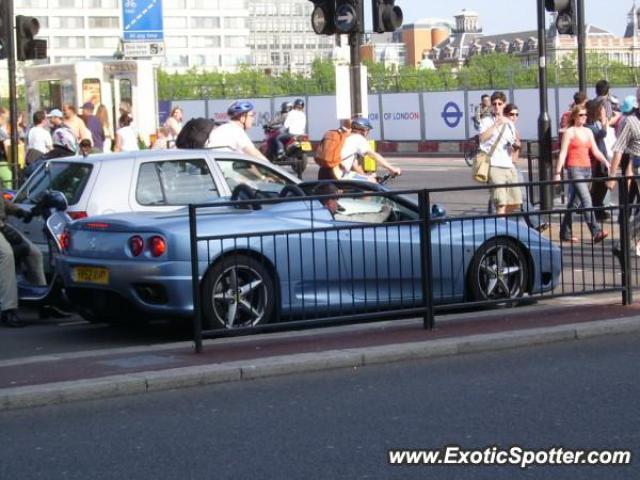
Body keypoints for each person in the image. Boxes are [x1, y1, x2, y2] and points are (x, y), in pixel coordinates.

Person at [554, 105, 609, 244]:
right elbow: (563, 153)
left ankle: (564, 233)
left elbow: (595, 151)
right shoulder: (570, 132)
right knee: (586, 200)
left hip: (587, 169)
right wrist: (557, 172)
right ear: (574, 116)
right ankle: (596, 231)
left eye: (585, 115)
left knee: (574, 204)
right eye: (581, 115)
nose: (584, 117)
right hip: (575, 169)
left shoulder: (588, 131)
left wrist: (606, 162)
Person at [0, 189, 46, 327]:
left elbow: (3, 203)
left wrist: (19, 211)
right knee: (6, 255)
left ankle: (42, 302)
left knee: (35, 254)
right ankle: (8, 309)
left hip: (2, 225)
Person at [502, 103, 547, 232]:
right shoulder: (506, 129)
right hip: (507, 166)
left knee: (521, 196)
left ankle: (534, 224)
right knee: (509, 196)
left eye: (516, 114)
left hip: (513, 165)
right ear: (506, 115)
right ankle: (535, 224)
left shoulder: (513, 129)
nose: (514, 117)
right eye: (511, 114)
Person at [478, 91, 521, 215]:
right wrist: (496, 124)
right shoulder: (486, 121)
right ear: (491, 105)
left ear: (504, 104)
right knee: (500, 202)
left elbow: (513, 142)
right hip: (494, 165)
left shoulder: (509, 123)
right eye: (494, 103)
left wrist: (515, 147)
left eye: (499, 104)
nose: (497, 106)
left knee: (515, 201)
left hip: (508, 164)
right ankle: (500, 227)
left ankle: (496, 219)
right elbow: (482, 138)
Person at [337, 117, 401, 181]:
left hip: (332, 174)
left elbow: (355, 166)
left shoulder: (345, 138)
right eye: (368, 130)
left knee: (368, 181)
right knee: (373, 182)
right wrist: (391, 168)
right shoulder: (358, 138)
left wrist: (366, 177)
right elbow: (373, 154)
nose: (367, 133)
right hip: (341, 174)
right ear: (364, 130)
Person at [584, 99, 610, 221]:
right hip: (595, 160)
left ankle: (598, 209)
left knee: (601, 185)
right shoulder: (589, 126)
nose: (603, 111)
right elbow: (601, 134)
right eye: (601, 109)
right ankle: (596, 210)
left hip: (601, 157)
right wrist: (604, 121)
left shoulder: (595, 123)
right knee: (598, 185)